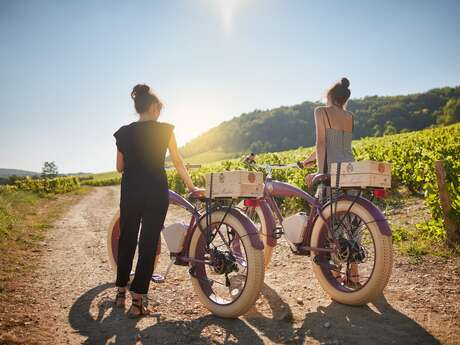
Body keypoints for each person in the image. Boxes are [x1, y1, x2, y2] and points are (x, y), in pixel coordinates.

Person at [113, 83, 204, 317]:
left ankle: (120, 292)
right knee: (148, 243)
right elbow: (177, 161)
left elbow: (119, 167)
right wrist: (192, 187)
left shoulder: (123, 133)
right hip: (155, 190)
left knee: (127, 239)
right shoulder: (165, 130)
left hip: (131, 190)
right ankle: (138, 302)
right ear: (154, 107)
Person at [302, 77, 360, 286]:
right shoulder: (349, 116)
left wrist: (319, 172)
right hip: (351, 171)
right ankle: (354, 272)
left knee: (329, 223)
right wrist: (307, 160)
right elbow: (338, 143)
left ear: (329, 96)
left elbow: (322, 142)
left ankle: (335, 274)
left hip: (331, 172)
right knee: (353, 221)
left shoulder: (321, 112)